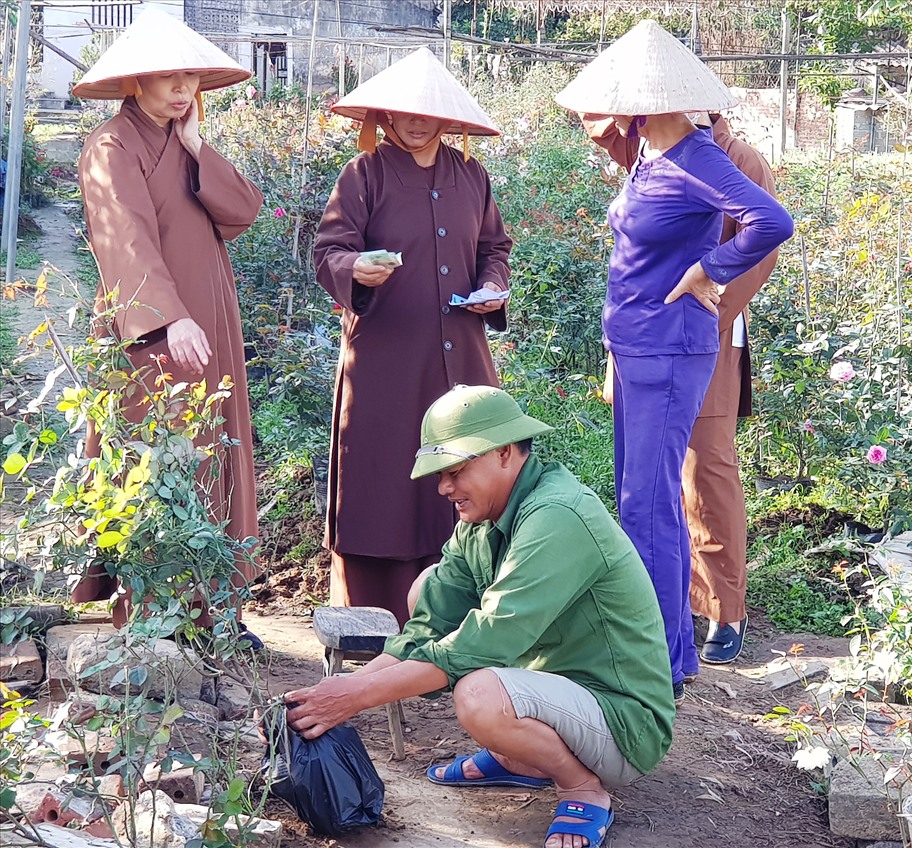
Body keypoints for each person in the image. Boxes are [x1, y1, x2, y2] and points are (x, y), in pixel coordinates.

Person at [286, 385, 674, 848]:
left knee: (478, 695)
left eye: (455, 470)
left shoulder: (558, 516)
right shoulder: (482, 522)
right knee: (427, 585)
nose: (444, 488)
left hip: (622, 723)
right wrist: (343, 689)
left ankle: (582, 788)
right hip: (557, 695)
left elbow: (485, 643)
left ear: (505, 453)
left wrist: (357, 696)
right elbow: (428, 627)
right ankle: (521, 759)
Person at [556, 20, 794, 701]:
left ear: (648, 97)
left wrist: (710, 270)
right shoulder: (649, 154)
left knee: (648, 506)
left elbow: (771, 222)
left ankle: (655, 662)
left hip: (669, 347)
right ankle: (671, 652)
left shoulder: (697, 155)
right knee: (644, 502)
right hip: (635, 348)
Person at [69, 9, 264, 641]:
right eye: (169, 78)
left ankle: (213, 611)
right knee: (155, 457)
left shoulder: (184, 143)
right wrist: (169, 318)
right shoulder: (110, 145)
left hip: (211, 323)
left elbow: (243, 212)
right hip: (150, 329)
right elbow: (122, 239)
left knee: (214, 452)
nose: (184, 90)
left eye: (190, 78)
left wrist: (198, 148)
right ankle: (150, 611)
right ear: (136, 83)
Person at [314, 48, 512, 626]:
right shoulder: (364, 175)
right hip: (386, 362)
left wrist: (493, 285)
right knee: (387, 477)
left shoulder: (471, 175)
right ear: (385, 115)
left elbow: (492, 249)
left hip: (461, 354)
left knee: (466, 467)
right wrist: (356, 269)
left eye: (429, 111)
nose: (417, 120)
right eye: (405, 111)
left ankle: (460, 619)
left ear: (449, 118)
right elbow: (330, 251)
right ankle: (377, 622)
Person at [584, 112, 780, 665]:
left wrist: (708, 293)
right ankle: (678, 615)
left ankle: (724, 608)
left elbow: (761, 247)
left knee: (705, 470)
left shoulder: (730, 157)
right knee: (652, 490)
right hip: (649, 339)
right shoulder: (650, 150)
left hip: (702, 329)